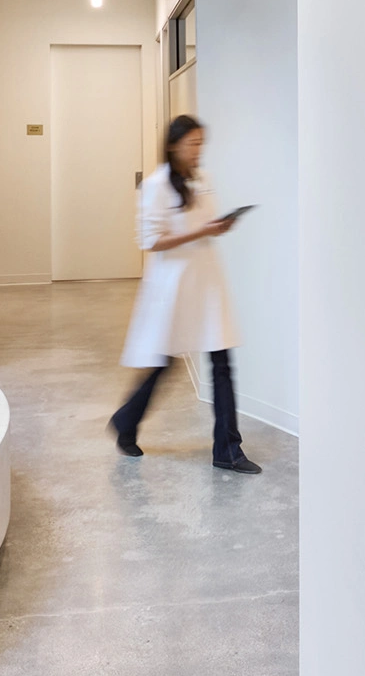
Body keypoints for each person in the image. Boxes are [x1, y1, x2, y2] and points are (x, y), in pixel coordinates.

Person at [111, 114, 260, 474]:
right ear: (174, 144)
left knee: (221, 360)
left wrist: (219, 227)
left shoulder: (202, 180)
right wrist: (199, 232)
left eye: (201, 144)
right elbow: (150, 241)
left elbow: (204, 225)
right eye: (193, 144)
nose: (198, 151)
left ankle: (227, 449)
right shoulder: (156, 185)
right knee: (164, 362)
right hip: (173, 286)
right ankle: (126, 421)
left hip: (206, 281)